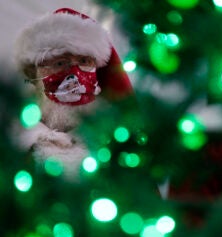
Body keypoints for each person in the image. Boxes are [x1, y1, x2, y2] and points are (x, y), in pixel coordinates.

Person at [13, 7, 133, 177]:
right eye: (60, 63)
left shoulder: (115, 148)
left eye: (84, 61)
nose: (75, 75)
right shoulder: (11, 140)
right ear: (33, 73)